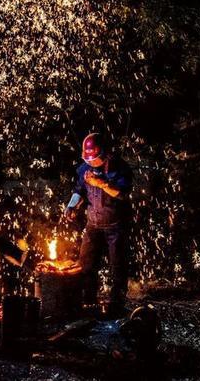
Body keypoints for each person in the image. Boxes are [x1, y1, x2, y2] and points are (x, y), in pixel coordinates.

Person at [64, 133, 133, 316]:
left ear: (104, 153)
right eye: (89, 159)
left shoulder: (120, 168)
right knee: (86, 264)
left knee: (117, 265)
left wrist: (102, 184)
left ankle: (116, 304)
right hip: (93, 224)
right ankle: (88, 302)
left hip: (116, 225)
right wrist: (71, 206)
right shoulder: (83, 169)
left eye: (95, 159)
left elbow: (122, 194)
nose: (92, 162)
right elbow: (79, 189)